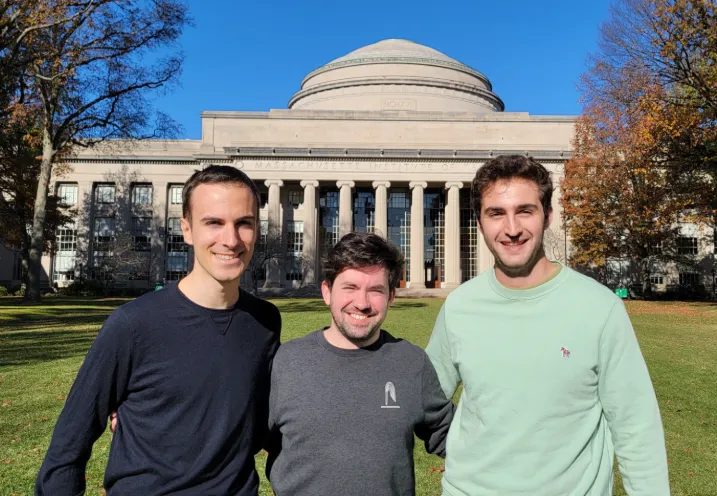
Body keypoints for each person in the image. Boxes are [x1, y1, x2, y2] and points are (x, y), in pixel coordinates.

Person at [426, 155, 670, 496]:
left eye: (525, 211)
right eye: (496, 213)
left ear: (548, 216)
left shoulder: (600, 308)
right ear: (479, 222)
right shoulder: (459, 307)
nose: (512, 229)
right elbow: (424, 398)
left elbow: (636, 427)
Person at [36, 166, 281, 495]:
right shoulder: (134, 323)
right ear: (187, 230)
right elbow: (68, 448)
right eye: (214, 222)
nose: (231, 239)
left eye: (244, 223)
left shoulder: (264, 321)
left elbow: (259, 420)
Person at [266, 231, 454, 496]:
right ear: (327, 292)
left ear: (391, 296)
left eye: (376, 290)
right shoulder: (287, 361)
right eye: (350, 288)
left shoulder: (411, 363)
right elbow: (254, 440)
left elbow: (453, 437)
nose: (362, 303)